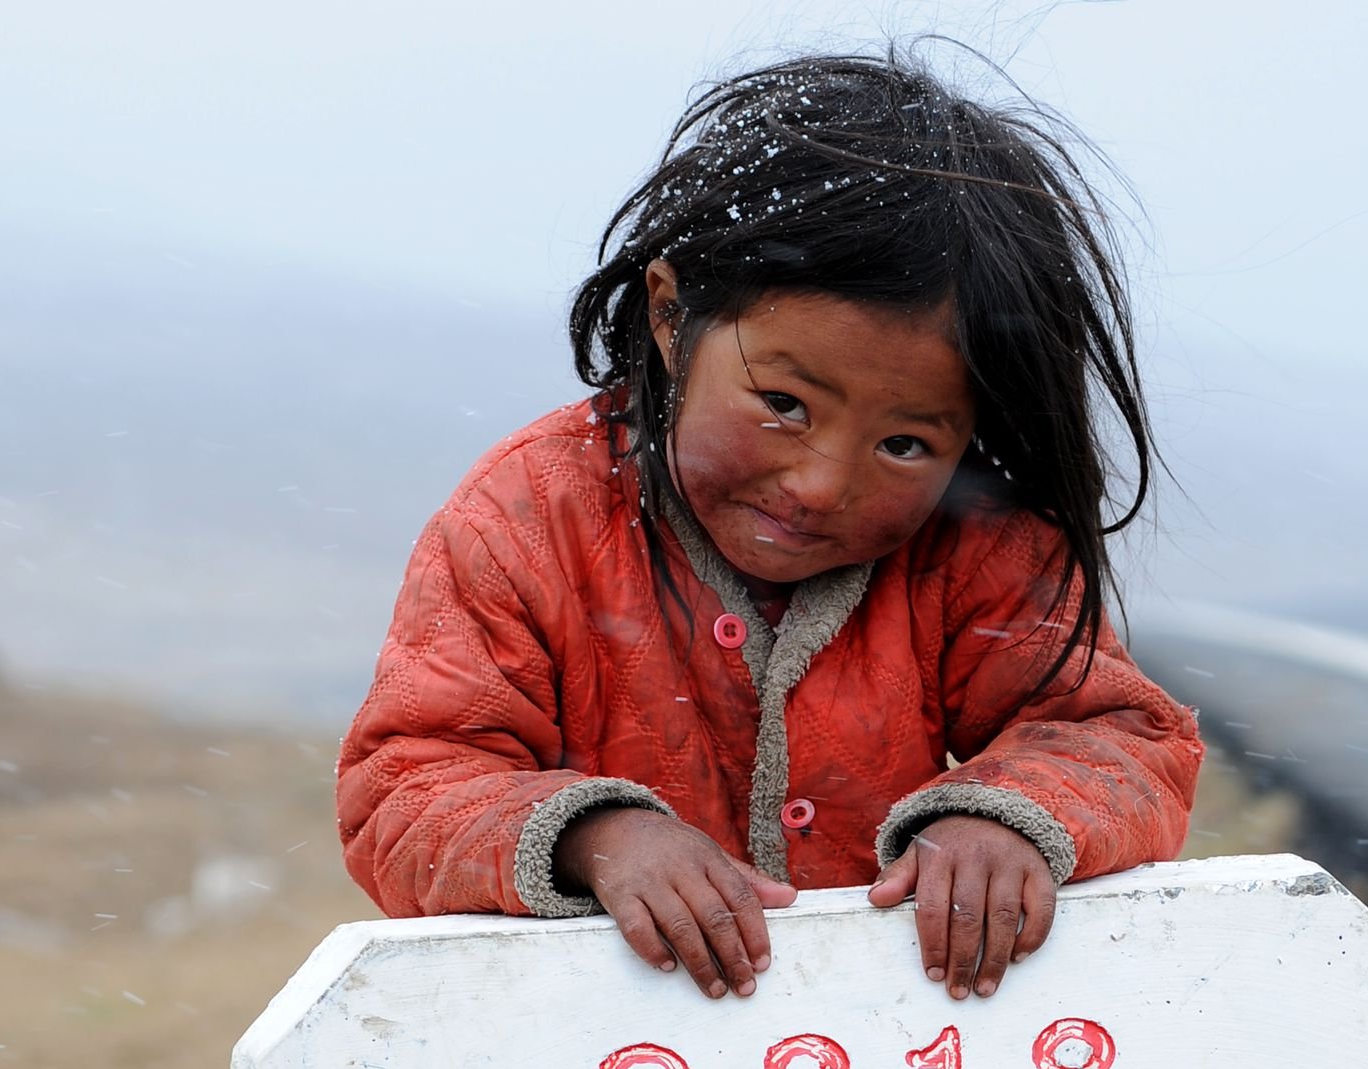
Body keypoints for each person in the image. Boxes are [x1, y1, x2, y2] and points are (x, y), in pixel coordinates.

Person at [337, 50, 1203, 1002]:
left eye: (907, 444)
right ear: (672, 318)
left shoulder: (974, 542)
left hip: (890, 1067)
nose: (824, 484)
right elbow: (403, 789)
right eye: (785, 401)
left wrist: (1006, 816)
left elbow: (1123, 738)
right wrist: (596, 835)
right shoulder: (527, 518)